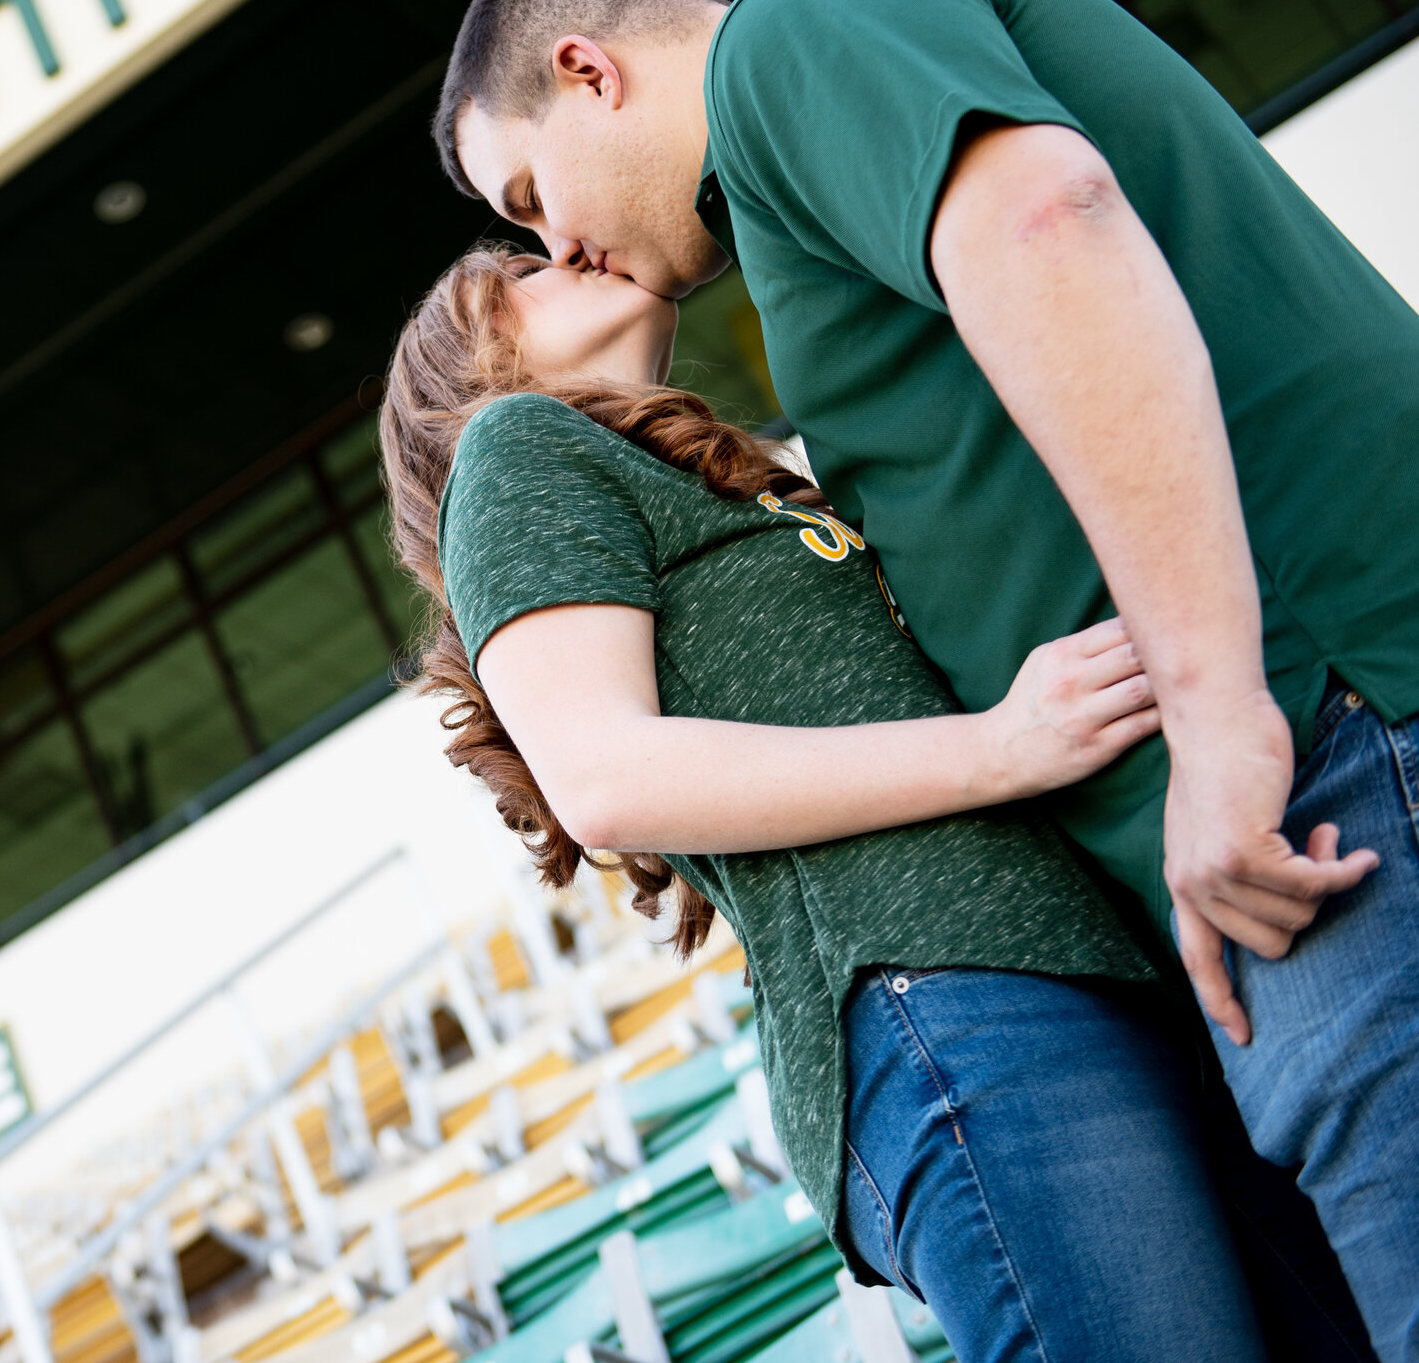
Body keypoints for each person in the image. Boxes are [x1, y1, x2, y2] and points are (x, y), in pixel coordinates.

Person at [429, 0, 1419, 1357]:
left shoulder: (787, 43)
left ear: (588, 71)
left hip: (1318, 744)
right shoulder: (753, 251)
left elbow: (1042, 223)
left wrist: (1215, 714)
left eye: (532, 195)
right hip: (1251, 830)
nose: (557, 242)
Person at [381, 242, 1268, 1362]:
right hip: (944, 1001)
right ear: (478, 360)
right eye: (523, 263)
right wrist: (1001, 746)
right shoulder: (513, 445)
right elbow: (607, 778)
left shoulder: (710, 471)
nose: (568, 247)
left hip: (1075, 975)